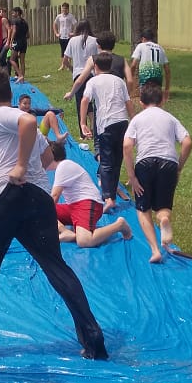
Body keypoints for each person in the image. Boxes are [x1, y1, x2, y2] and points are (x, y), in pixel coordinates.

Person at [0, 67, 107, 362]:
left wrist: (18, 165)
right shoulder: (6, 119)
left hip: (11, 197)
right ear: (8, 93)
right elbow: (48, 154)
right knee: (56, 267)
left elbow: (28, 121)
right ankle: (92, 337)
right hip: (39, 198)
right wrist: (20, 159)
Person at [123, 82, 192, 263]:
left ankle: (155, 250)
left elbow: (127, 146)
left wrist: (132, 176)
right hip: (168, 162)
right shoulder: (169, 118)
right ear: (162, 101)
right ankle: (163, 220)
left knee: (142, 208)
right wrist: (178, 166)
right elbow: (187, 142)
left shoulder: (137, 119)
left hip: (145, 163)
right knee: (163, 208)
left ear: (141, 102)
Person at [47, 141, 133, 248]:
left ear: (50, 156)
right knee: (42, 212)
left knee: (84, 241)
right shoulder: (62, 167)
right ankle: (67, 233)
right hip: (74, 207)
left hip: (88, 203)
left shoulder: (63, 166)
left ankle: (119, 225)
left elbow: (54, 196)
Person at [80, 52, 133, 211]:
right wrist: (134, 120)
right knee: (117, 160)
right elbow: (128, 102)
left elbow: (85, 100)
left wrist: (83, 123)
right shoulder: (119, 81)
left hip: (106, 125)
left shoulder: (93, 81)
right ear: (110, 66)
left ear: (95, 67)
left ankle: (108, 197)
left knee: (106, 161)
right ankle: (112, 195)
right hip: (122, 122)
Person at [63, 19, 100, 138]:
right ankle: (94, 128)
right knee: (91, 102)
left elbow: (65, 60)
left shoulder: (72, 40)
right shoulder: (94, 41)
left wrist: (71, 68)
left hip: (78, 74)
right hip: (92, 74)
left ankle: (83, 132)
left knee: (81, 103)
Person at [130, 28, 171, 101]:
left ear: (143, 39)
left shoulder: (141, 46)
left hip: (145, 75)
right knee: (156, 99)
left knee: (144, 99)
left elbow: (133, 64)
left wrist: (130, 77)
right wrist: (167, 88)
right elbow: (167, 69)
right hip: (157, 76)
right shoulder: (160, 48)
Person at [8, 6, 29, 82]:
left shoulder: (15, 21)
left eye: (13, 12)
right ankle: (23, 77)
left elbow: (14, 31)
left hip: (17, 41)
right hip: (24, 42)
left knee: (12, 59)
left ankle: (20, 75)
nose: (12, 14)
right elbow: (28, 35)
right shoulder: (25, 22)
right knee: (22, 61)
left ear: (17, 13)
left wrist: (11, 41)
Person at [54, 2, 77, 70]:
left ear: (68, 9)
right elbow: (54, 24)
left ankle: (69, 64)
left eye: (65, 9)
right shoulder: (59, 16)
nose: (64, 10)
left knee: (69, 50)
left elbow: (75, 24)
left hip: (68, 36)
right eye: (63, 9)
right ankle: (63, 65)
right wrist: (56, 33)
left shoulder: (70, 16)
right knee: (63, 51)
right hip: (61, 36)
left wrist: (73, 33)